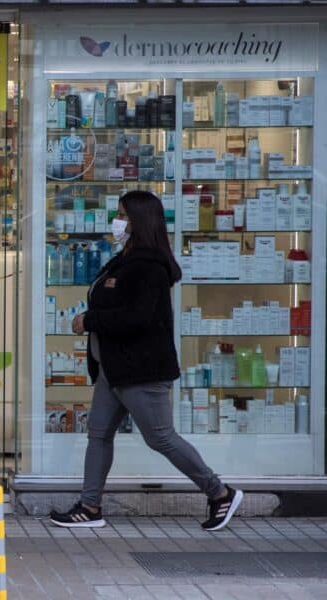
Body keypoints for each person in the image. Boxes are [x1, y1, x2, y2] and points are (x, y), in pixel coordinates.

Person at [49, 191, 243, 531]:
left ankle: (220, 492)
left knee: (161, 437)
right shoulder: (124, 258)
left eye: (123, 214)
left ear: (138, 221)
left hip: (140, 370)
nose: (117, 221)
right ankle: (90, 506)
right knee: (98, 433)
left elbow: (137, 317)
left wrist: (90, 320)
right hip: (114, 368)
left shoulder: (149, 265)